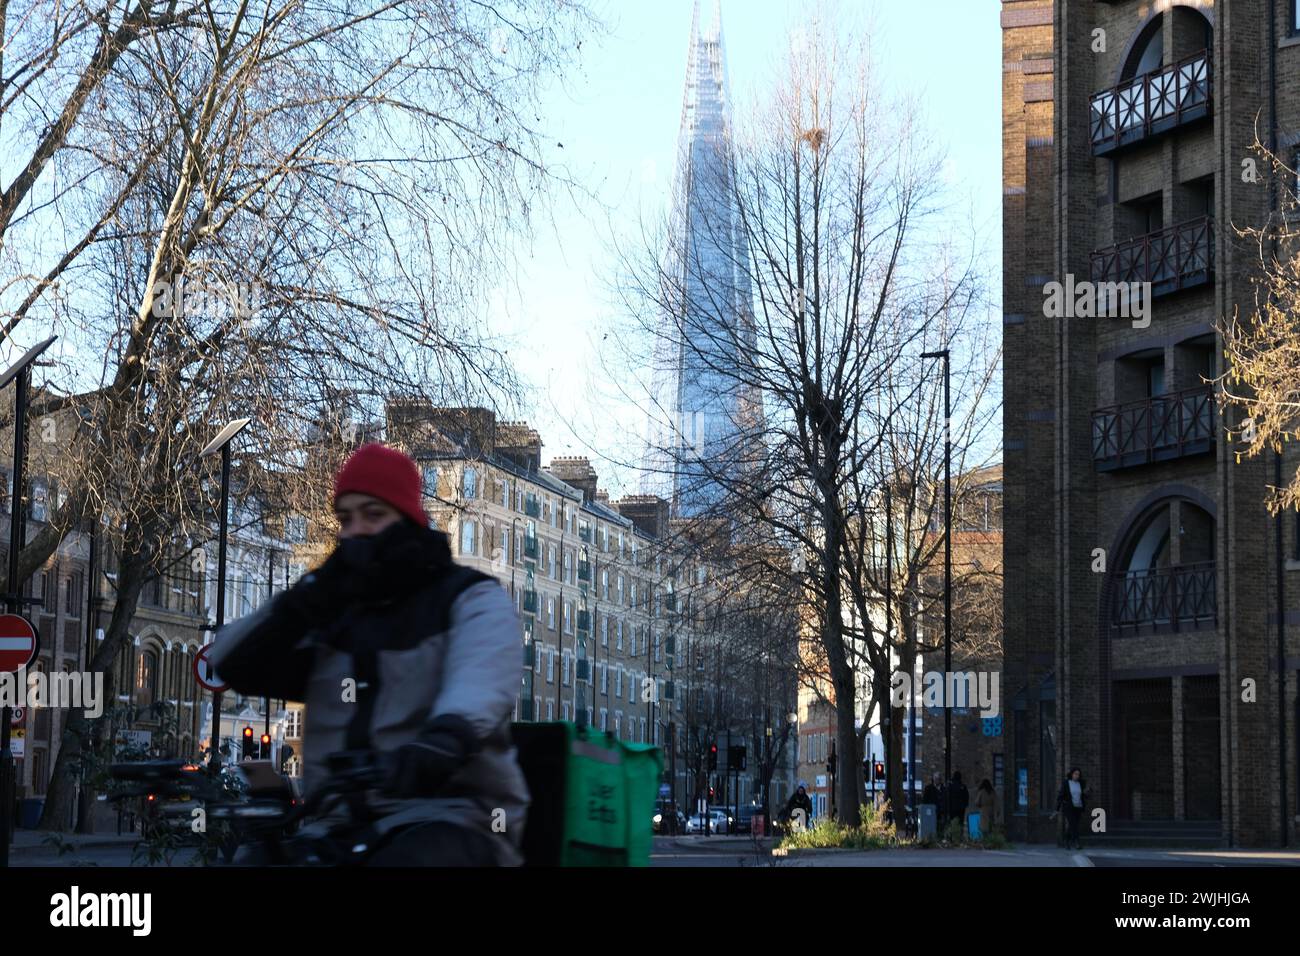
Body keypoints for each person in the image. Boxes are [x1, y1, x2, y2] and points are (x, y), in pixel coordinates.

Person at [209, 443, 529, 866]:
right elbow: (231, 660)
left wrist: (440, 743)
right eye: (345, 519)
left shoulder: (468, 599)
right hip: (339, 824)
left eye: (374, 515)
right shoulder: (335, 618)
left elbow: (479, 688)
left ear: (408, 520)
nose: (355, 530)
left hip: (455, 818)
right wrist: (303, 599)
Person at [1056, 767, 1088, 850]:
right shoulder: (1066, 783)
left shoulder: (1081, 783)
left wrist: (1087, 793)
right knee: (1073, 824)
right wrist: (1057, 808)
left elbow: (1083, 795)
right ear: (1071, 774)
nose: (1077, 776)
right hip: (1069, 807)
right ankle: (1076, 842)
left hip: (1078, 807)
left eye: (1078, 774)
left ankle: (1066, 840)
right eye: (1075, 774)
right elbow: (1061, 795)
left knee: (1073, 825)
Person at [947, 771, 970, 835]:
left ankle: (953, 837)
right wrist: (964, 805)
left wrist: (948, 808)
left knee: (952, 823)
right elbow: (966, 797)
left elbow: (948, 797)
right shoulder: (963, 786)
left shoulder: (951, 786)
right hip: (961, 809)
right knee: (960, 823)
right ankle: (960, 836)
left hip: (952, 808)